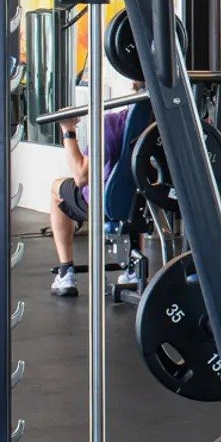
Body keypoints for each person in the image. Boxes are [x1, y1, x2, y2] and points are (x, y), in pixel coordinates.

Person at [49, 94, 138, 297]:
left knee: (57, 188)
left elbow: (81, 176)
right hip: (145, 202)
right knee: (134, 194)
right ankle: (132, 269)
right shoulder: (169, 124)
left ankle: (66, 273)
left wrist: (68, 130)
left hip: (107, 202)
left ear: (133, 86)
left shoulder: (112, 123)